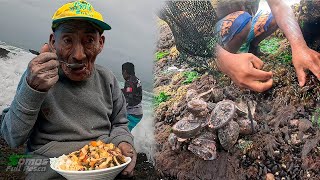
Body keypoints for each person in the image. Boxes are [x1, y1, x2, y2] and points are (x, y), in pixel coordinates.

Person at [0, 0, 136, 179]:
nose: (79, 55)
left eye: (89, 40)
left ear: (100, 43)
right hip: (48, 166)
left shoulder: (107, 79)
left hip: (102, 165)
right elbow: (12, 137)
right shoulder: (37, 77)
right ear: (52, 42)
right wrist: (32, 90)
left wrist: (123, 141)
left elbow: (120, 124)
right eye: (67, 40)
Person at [159, 0, 320, 92]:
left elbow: (279, 5)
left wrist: (299, 46)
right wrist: (223, 59)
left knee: (271, 18)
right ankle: (231, 61)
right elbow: (191, 28)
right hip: (213, 37)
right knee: (241, 20)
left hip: (245, 24)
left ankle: (251, 49)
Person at [121, 62, 143, 131]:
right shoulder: (136, 79)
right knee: (125, 132)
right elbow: (133, 92)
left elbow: (128, 99)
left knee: (122, 132)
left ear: (125, 71)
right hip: (138, 113)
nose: (122, 74)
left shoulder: (129, 82)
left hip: (132, 114)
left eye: (122, 72)